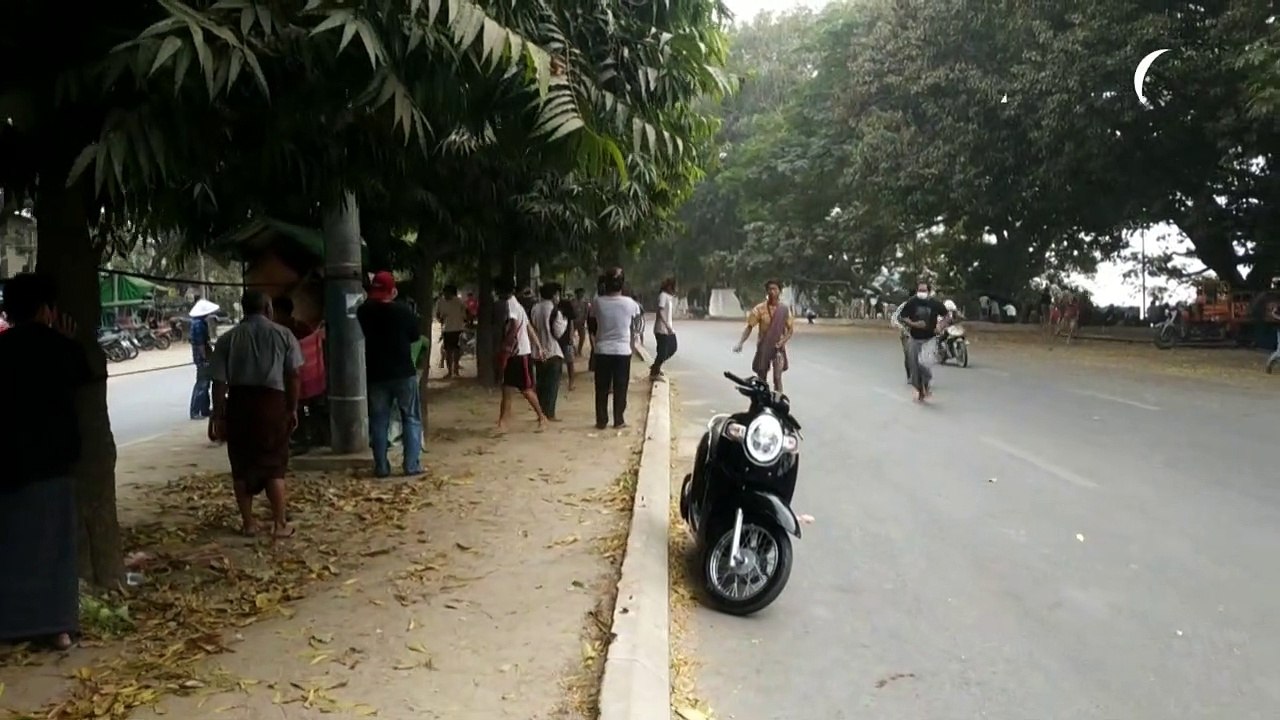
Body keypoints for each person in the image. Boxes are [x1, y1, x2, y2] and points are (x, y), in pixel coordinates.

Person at [0, 274, 90, 651]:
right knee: (55, 548)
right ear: (46, 310)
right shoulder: (60, 348)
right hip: (53, 465)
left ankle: (7, 630)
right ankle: (57, 629)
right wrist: (67, 341)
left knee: (10, 547)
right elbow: (85, 374)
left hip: (7, 465)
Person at [208, 290, 303, 538]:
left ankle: (249, 523)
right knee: (274, 464)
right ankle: (279, 525)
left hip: (239, 405)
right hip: (273, 405)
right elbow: (293, 376)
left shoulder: (228, 339)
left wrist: (218, 415)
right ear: (268, 309)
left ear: (243, 309)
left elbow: (218, 382)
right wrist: (292, 408)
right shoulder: (284, 335)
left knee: (241, 464)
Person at [356, 271, 424, 477]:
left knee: (379, 420)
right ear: (392, 290)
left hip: (377, 374)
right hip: (403, 372)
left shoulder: (364, 311)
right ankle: (411, 465)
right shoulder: (404, 312)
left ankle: (382, 466)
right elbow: (414, 337)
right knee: (410, 418)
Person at [592, 268, 643, 429]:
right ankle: (618, 420)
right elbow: (638, 324)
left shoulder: (597, 302)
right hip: (622, 351)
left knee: (601, 388)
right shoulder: (630, 304)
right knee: (621, 387)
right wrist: (634, 341)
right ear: (622, 284)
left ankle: (601, 420)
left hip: (602, 350)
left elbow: (593, 323)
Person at [496, 277, 548, 431]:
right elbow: (528, 327)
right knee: (506, 388)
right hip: (518, 352)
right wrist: (538, 346)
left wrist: (506, 346)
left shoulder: (511, 305)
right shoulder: (517, 305)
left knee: (526, 389)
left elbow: (514, 326)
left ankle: (542, 417)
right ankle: (502, 422)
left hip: (518, 353)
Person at [734, 279, 795, 392]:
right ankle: (762, 401)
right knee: (762, 377)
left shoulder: (784, 310)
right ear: (766, 292)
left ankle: (777, 400)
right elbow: (749, 327)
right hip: (764, 347)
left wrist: (782, 342)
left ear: (779, 291)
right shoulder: (759, 309)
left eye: (775, 289)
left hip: (778, 349)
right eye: (770, 289)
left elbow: (790, 330)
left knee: (777, 377)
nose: (772, 292)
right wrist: (740, 343)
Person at [898, 280, 947, 403]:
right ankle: (920, 391)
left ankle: (927, 384)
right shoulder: (912, 302)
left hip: (929, 338)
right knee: (914, 366)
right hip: (915, 338)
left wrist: (940, 326)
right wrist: (914, 324)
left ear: (929, 292)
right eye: (920, 290)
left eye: (924, 290)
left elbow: (947, 316)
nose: (922, 292)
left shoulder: (935, 304)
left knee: (923, 363)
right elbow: (902, 317)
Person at [531, 283, 569, 420]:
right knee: (552, 386)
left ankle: (541, 413)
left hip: (538, 351)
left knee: (541, 384)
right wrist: (564, 322)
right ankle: (550, 413)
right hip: (553, 351)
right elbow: (558, 333)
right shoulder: (555, 311)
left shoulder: (535, 308)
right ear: (554, 295)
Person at [188, 297, 219, 420]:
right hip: (202, 356)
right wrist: (205, 357)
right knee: (202, 384)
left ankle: (204, 410)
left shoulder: (196, 322)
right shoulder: (199, 324)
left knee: (204, 383)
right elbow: (201, 344)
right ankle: (195, 411)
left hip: (199, 355)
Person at [435, 284, 467, 378]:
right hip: (447, 329)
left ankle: (456, 370)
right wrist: (441, 319)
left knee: (457, 350)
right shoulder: (440, 301)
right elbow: (437, 314)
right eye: (445, 293)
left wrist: (464, 319)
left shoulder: (458, 301)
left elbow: (465, 312)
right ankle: (450, 371)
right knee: (448, 351)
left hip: (458, 328)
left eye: (448, 293)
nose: (446, 294)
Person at [650, 277, 678, 380]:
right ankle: (654, 372)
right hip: (661, 329)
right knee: (662, 352)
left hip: (668, 328)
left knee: (672, 347)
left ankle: (656, 366)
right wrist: (667, 325)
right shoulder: (662, 296)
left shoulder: (668, 297)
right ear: (669, 287)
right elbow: (660, 312)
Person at [557, 294, 579, 391]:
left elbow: (571, 328)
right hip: (566, 341)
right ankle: (571, 383)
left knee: (562, 363)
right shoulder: (567, 316)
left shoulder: (561, 315)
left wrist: (571, 340)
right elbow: (572, 328)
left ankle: (565, 382)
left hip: (561, 341)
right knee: (570, 363)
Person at [571, 288, 589, 356]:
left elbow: (586, 313)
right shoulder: (572, 302)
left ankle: (579, 350)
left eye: (582, 293)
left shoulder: (585, 303)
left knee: (582, 337)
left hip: (581, 323)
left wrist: (584, 320)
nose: (581, 294)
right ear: (576, 293)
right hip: (573, 322)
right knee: (571, 337)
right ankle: (574, 350)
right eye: (579, 293)